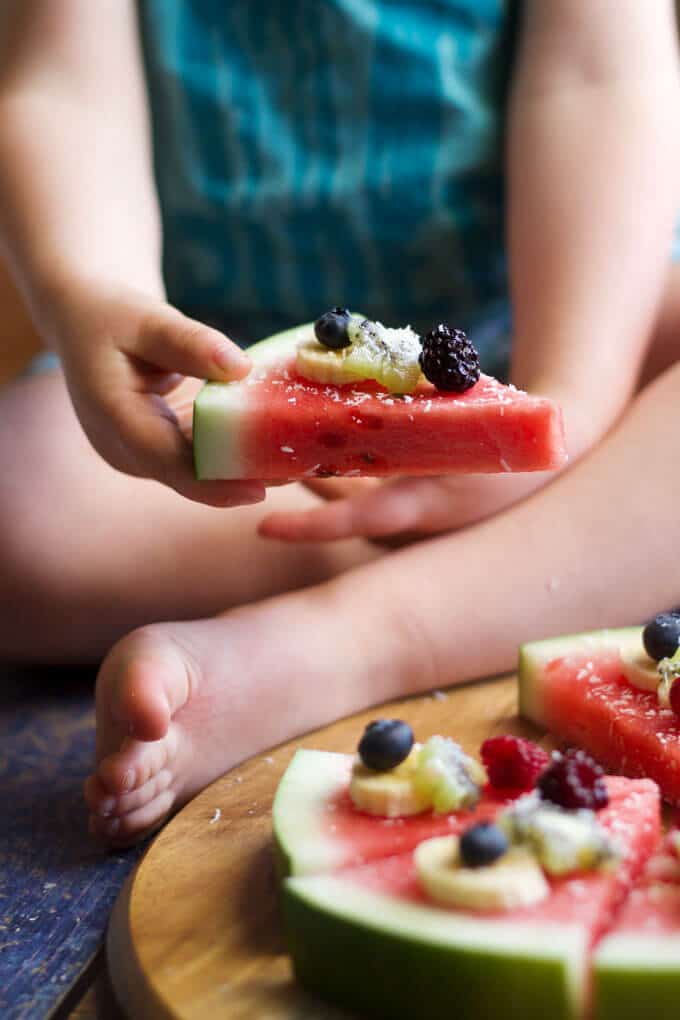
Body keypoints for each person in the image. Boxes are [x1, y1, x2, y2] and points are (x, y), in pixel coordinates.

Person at [0, 1, 679, 845]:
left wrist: (565, 397)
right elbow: (66, 90)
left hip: (562, 324)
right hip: (217, 366)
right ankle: (563, 557)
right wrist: (92, 292)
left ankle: (338, 648)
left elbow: (599, 78)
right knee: (13, 500)